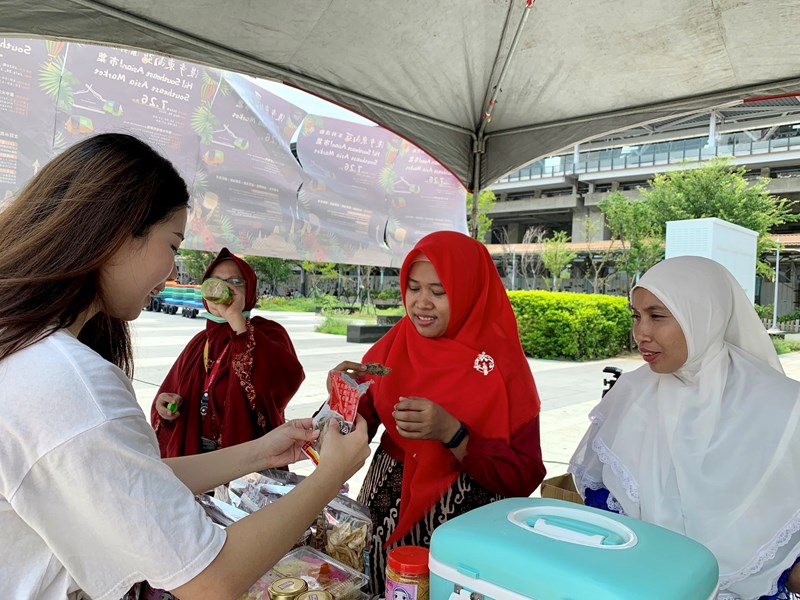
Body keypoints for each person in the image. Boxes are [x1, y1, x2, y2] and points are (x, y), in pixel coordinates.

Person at [0, 133, 370, 600]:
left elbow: (131, 481)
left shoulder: (27, 352)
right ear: (119, 233)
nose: (174, 268)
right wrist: (331, 475)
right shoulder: (71, 385)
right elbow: (210, 579)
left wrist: (262, 451)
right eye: (173, 244)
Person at [568, 256, 800, 600]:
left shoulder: (784, 406)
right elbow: (604, 503)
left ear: (703, 315)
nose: (640, 333)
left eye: (657, 316)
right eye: (636, 316)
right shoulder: (632, 394)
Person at [335, 230, 546, 594]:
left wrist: (455, 434)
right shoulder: (394, 346)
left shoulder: (503, 368)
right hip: (384, 512)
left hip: (465, 527)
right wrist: (343, 396)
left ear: (468, 290)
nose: (421, 303)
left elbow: (525, 475)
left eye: (439, 291)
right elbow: (359, 420)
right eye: (413, 288)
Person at [151, 248, 305, 457]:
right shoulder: (200, 343)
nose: (223, 288)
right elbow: (168, 397)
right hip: (197, 462)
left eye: (235, 281)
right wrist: (165, 407)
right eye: (214, 281)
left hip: (247, 465)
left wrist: (236, 319)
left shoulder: (268, 333)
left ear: (249, 289)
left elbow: (279, 387)